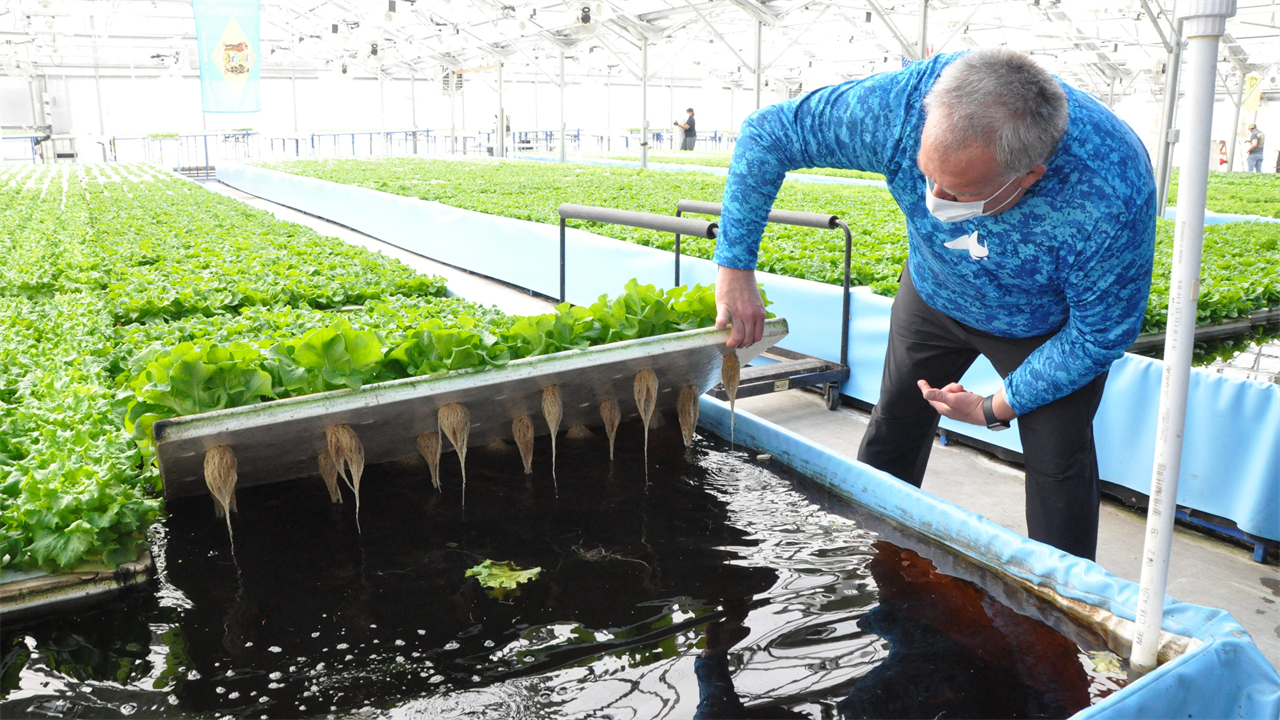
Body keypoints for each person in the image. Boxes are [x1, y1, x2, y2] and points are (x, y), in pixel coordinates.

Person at [712, 48, 1156, 561]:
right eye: (927, 174)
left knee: (1060, 466)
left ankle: (1064, 610)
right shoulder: (899, 106)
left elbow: (1100, 335)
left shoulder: (1110, 187)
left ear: (1029, 177)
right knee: (893, 426)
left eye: (960, 191)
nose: (935, 197)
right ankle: (874, 553)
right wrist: (735, 267)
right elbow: (768, 134)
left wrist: (994, 407)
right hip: (934, 294)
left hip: (1045, 330)